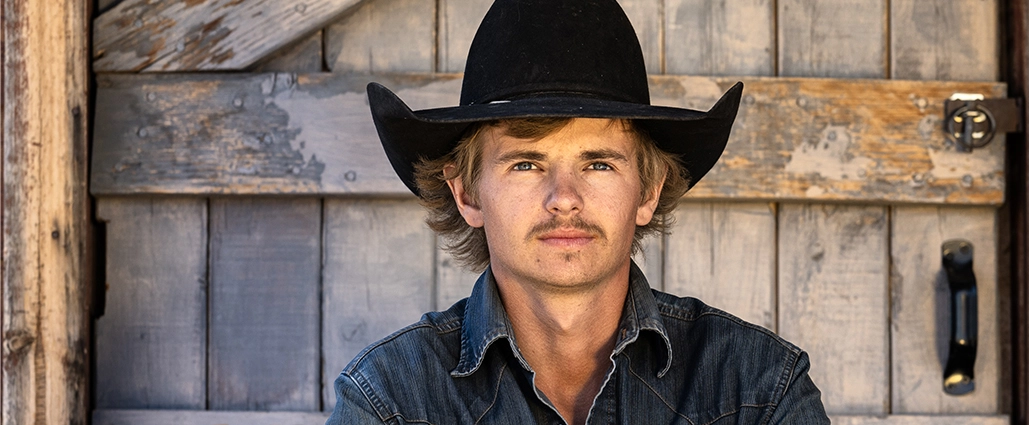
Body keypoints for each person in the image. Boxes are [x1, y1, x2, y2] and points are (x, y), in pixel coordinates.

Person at [328, 0, 828, 423]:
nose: (563, 197)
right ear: (468, 195)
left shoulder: (760, 391)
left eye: (598, 164)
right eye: (526, 164)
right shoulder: (388, 401)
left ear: (648, 191)